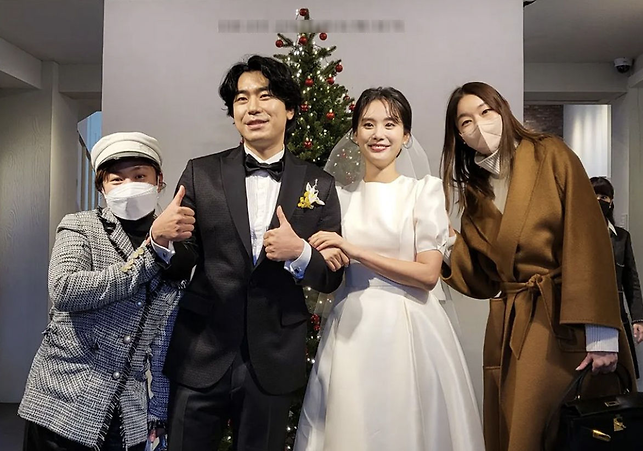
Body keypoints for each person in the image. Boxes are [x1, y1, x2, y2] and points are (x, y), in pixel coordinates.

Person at [439, 82, 635, 451]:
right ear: (460, 136)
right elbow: (484, 279)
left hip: (567, 321)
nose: (478, 125)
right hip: (512, 328)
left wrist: (602, 336)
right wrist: (445, 241)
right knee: (524, 431)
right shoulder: (476, 194)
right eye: (465, 122)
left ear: (503, 109)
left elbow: (588, 240)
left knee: (577, 433)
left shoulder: (550, 154)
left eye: (485, 111)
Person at [162, 55, 344, 451]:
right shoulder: (200, 173)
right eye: (242, 99)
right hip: (202, 348)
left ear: (290, 109)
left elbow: (331, 275)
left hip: (273, 355)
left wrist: (299, 253)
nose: (253, 107)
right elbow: (181, 260)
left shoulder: (320, 184)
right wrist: (162, 241)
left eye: (265, 96)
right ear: (233, 114)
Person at [294, 87, 485, 451]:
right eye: (368, 124)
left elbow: (428, 275)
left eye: (390, 124)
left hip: (411, 325)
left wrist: (354, 249)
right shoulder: (339, 197)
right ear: (355, 134)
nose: (378, 134)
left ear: (406, 135)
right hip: (352, 328)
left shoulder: (423, 192)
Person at [19, 132, 194, 451]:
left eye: (139, 176)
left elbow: (165, 336)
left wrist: (159, 410)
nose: (129, 186)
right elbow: (65, 289)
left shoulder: (177, 249)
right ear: (102, 187)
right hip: (62, 400)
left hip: (127, 413)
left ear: (159, 181)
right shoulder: (80, 226)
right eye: (117, 179)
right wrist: (151, 250)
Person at [590, 176, 643, 378]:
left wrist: (638, 319)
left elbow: (631, 279)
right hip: (586, 314)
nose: (599, 200)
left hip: (617, 313)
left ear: (611, 201)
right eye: (594, 195)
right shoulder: (575, 235)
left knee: (622, 374)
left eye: (604, 196)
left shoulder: (622, 237)